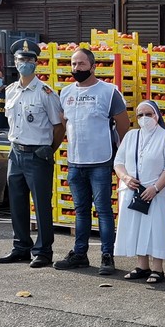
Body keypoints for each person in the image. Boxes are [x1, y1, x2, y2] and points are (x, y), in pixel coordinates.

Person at [54, 47, 130, 275]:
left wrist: (121, 157)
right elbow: (62, 124)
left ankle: (107, 256)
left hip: (101, 161)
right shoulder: (65, 92)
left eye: (81, 64)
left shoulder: (109, 92)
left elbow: (124, 126)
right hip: (75, 162)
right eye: (74, 64)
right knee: (81, 211)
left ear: (93, 66)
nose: (77, 68)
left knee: (104, 211)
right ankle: (80, 254)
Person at [0, 39, 64, 268]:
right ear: (14, 62)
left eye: (29, 60)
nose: (25, 63)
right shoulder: (10, 91)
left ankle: (44, 251)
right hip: (16, 152)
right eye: (20, 59)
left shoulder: (46, 93)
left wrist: (49, 150)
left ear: (36, 63)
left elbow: (59, 126)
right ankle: (21, 247)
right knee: (16, 203)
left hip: (38, 154)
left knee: (42, 204)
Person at [113, 100, 165, 284]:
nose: (144, 118)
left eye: (148, 114)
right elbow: (118, 162)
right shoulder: (131, 136)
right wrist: (125, 178)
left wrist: (155, 188)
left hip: (156, 191)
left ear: (157, 115)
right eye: (140, 115)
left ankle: (157, 268)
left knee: (156, 228)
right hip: (132, 190)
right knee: (137, 227)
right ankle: (142, 265)